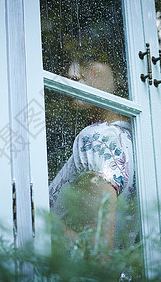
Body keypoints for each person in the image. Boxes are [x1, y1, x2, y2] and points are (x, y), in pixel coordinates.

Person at [49, 61, 135, 250]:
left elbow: (97, 254)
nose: (72, 74)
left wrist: (36, 220)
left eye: (86, 61)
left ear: (121, 73)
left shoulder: (97, 139)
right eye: (66, 69)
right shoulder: (136, 142)